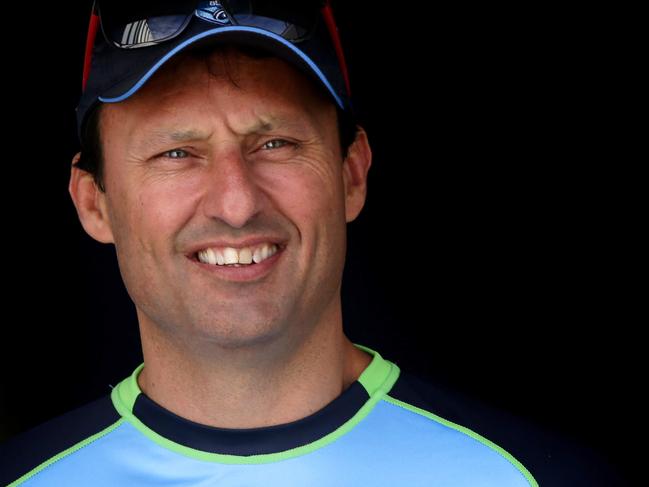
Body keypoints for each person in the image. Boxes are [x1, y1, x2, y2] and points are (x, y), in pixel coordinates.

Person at [4, 1, 615, 486]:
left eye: (276, 144)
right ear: (94, 202)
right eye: (177, 153)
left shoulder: (532, 477)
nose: (236, 204)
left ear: (352, 175)